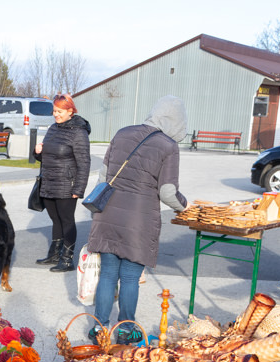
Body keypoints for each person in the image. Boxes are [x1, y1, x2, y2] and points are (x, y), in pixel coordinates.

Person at [86, 95, 189, 346]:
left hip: (107, 214)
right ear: (177, 122)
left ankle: (100, 328)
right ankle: (126, 330)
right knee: (130, 277)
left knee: (108, 273)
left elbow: (103, 177)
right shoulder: (168, 146)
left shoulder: (122, 133)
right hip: (138, 223)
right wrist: (185, 206)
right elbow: (167, 192)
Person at [33, 93, 91, 272]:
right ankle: (54, 254)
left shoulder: (79, 133)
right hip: (49, 182)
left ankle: (67, 259)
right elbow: (45, 157)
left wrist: (78, 188)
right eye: (54, 111)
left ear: (70, 111)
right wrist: (37, 152)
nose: (56, 114)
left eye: (59, 111)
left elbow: (84, 163)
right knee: (55, 219)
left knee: (66, 220)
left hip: (67, 184)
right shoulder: (53, 128)